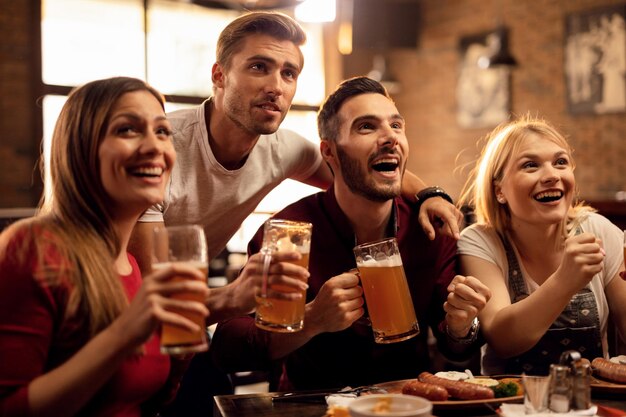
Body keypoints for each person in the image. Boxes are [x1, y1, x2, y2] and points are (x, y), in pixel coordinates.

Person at [129, 11, 462, 324]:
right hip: (115, 312)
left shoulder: (284, 149)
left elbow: (359, 171)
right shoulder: (158, 151)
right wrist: (238, 295)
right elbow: (152, 302)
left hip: (185, 315)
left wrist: (429, 195)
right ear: (219, 75)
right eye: (259, 67)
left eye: (289, 73)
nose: (276, 86)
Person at [210, 76, 491, 391]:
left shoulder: (429, 229)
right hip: (311, 408)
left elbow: (457, 348)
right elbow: (228, 350)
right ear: (329, 153)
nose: (390, 138)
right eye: (367, 127)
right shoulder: (290, 233)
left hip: (408, 402)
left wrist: (461, 326)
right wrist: (312, 320)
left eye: (396, 126)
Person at [0, 77, 210, 417]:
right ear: (80, 148)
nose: (155, 147)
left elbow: (135, 400)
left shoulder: (129, 263)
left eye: (162, 131)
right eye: (128, 130)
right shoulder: (32, 249)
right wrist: (125, 333)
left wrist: (178, 362)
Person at [457, 116, 626, 375]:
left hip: (591, 403)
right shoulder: (480, 241)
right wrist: (565, 280)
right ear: (499, 190)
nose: (551, 176)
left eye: (560, 162)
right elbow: (502, 339)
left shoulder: (599, 230)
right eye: (531, 165)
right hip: (511, 405)